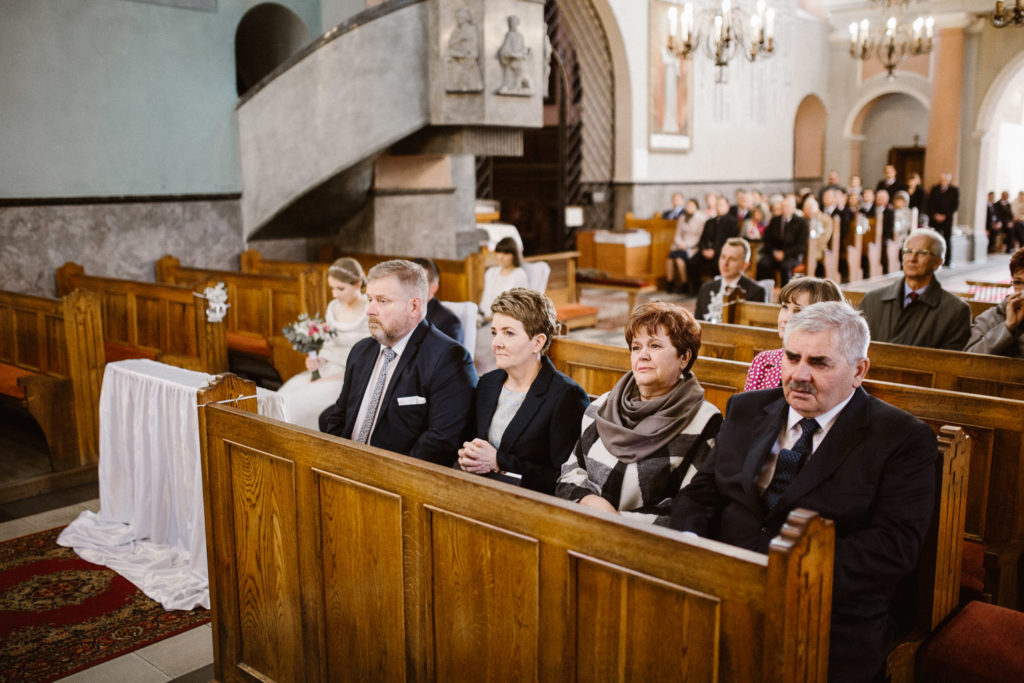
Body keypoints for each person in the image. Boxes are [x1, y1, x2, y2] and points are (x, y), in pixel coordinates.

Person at [670, 301, 938, 682]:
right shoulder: (746, 409)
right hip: (720, 594)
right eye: (792, 357)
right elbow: (701, 493)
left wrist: (782, 578)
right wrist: (690, 548)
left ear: (859, 370)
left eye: (819, 363)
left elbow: (894, 547)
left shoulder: (902, 439)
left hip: (828, 619)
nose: (799, 375)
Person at [556, 302, 722, 525]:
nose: (643, 355)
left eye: (655, 346)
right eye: (636, 347)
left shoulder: (705, 421)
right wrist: (587, 500)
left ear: (684, 357)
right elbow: (571, 470)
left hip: (647, 540)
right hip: (582, 524)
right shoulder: (602, 406)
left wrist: (616, 521)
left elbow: (690, 505)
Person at [320, 259, 478, 465]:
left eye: (382, 301)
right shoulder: (361, 351)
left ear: (414, 306)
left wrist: (381, 473)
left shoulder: (449, 358)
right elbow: (339, 416)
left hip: (399, 477)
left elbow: (441, 442)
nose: (369, 310)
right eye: (369, 299)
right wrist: (338, 461)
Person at [458, 288, 590, 494]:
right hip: (481, 492)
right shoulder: (488, 383)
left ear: (537, 342)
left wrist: (499, 461)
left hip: (530, 503)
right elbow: (472, 441)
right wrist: (468, 456)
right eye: (494, 332)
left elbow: (564, 478)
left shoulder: (566, 396)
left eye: (508, 333)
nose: (496, 343)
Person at [277, 258, 370, 430]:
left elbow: (368, 359)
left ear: (358, 284)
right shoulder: (333, 307)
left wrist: (328, 379)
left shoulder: (370, 310)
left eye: (340, 288)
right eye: (332, 288)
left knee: (296, 406)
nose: (334, 294)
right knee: (281, 397)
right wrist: (317, 361)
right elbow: (328, 346)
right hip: (327, 368)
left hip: (349, 377)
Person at [858, 228, 970, 350]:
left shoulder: (955, 311)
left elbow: (951, 359)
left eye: (921, 253)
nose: (912, 259)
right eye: (908, 251)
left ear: (938, 262)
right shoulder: (872, 300)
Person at [743, 277, 844, 391]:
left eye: (798, 311)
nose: (786, 318)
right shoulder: (764, 361)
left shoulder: (831, 369)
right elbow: (748, 402)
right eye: (785, 307)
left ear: (825, 319)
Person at [964, 247, 1024, 358]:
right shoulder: (994, 317)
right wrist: (1007, 327)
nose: (1023, 291)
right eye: (1018, 282)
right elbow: (967, 359)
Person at [694, 237, 767, 321]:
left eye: (732, 259)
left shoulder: (756, 292)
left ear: (744, 265)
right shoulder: (705, 288)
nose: (725, 263)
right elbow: (697, 324)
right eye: (723, 257)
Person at [687, 195, 739, 293]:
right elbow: (703, 239)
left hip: (722, 252)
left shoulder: (732, 222)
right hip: (707, 252)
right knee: (692, 262)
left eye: (721, 205)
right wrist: (703, 250)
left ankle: (717, 290)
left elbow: (731, 241)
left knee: (718, 264)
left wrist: (715, 251)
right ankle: (698, 290)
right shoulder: (709, 222)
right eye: (717, 205)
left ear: (727, 207)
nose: (719, 207)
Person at [756, 195, 809, 287]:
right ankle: (764, 289)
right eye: (783, 207)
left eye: (787, 207)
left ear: (793, 208)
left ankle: (785, 292)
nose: (785, 209)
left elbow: (801, 246)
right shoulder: (775, 220)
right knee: (762, 264)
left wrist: (784, 253)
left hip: (791, 256)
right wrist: (774, 252)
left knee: (785, 267)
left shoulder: (801, 223)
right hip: (775, 254)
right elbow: (767, 240)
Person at [411, 257, 463, 344]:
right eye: (405, 282)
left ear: (433, 288)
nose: (409, 288)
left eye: (417, 283)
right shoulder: (395, 310)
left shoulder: (449, 322)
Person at [479, 237, 529, 322]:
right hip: (484, 316)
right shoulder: (491, 272)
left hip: (505, 319)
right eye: (499, 252)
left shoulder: (519, 274)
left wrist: (494, 316)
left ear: (514, 255)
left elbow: (518, 306)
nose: (501, 257)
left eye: (506, 253)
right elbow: (485, 300)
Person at [665, 197, 705, 294]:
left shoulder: (701, 218)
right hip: (680, 245)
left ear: (696, 207)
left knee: (679, 260)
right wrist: (679, 243)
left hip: (692, 247)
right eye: (688, 205)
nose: (689, 207)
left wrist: (686, 245)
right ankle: (669, 283)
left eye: (691, 205)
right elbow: (677, 234)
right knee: (669, 260)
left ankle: (684, 284)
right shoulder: (682, 218)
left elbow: (699, 236)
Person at [927, 173, 959, 266]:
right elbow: (930, 203)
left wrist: (945, 215)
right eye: (942, 179)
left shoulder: (954, 190)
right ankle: (934, 259)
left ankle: (947, 260)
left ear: (949, 180)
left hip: (947, 219)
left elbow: (955, 205)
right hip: (935, 218)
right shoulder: (934, 189)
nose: (943, 180)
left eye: (945, 179)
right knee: (935, 239)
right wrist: (935, 214)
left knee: (947, 239)